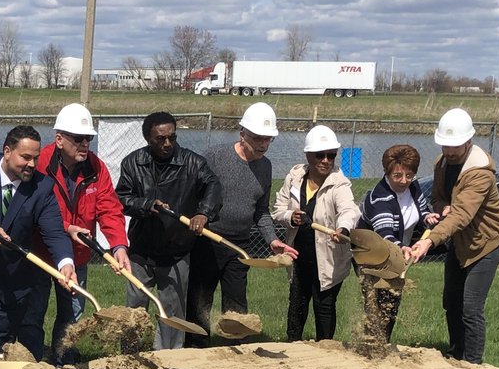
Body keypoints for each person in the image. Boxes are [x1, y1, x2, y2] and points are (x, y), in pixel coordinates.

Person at [0, 125, 75, 360]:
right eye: (25, 157)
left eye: (36, 158)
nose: (32, 164)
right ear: (7, 151)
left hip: (9, 281)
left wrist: (65, 263)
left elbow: (54, 233)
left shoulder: (42, 187)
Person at [187, 102, 297, 346]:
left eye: (268, 139)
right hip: (209, 240)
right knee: (200, 300)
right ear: (242, 134)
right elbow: (193, 192)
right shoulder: (215, 156)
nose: (263, 145)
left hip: (239, 246)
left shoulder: (265, 166)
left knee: (236, 303)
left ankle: (235, 349)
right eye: (258, 138)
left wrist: (272, 239)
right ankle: (196, 349)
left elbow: (261, 211)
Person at [115, 111, 222, 350]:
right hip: (141, 251)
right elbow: (121, 198)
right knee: (134, 309)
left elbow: (213, 186)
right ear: (147, 139)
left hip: (177, 251)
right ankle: (130, 356)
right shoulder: (133, 163)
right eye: (160, 139)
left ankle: (169, 357)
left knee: (172, 312)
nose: (167, 144)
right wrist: (146, 205)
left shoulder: (193, 162)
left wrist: (203, 212)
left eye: (172, 137)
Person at [408, 108, 499, 365]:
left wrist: (429, 240)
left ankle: (472, 363)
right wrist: (442, 208)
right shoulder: (441, 164)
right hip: (459, 241)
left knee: (470, 307)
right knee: (451, 302)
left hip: (484, 245)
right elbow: (438, 198)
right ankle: (455, 355)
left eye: (455, 146)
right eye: (445, 145)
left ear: (468, 141)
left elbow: (462, 214)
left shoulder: (480, 172)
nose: (449, 151)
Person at [33, 103, 129, 363]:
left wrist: (119, 245)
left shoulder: (96, 168)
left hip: (77, 255)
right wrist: (66, 228)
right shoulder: (41, 164)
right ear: (59, 139)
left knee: (72, 314)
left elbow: (109, 209)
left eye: (89, 138)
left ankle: (63, 361)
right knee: (33, 312)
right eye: (78, 139)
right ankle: (32, 365)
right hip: (40, 253)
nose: (85, 144)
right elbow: (32, 211)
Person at [273, 125, 360, 342]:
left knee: (324, 306)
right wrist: (289, 216)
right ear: (308, 155)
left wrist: (343, 228)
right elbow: (278, 209)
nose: (326, 160)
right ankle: (293, 345)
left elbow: (349, 210)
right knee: (297, 304)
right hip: (299, 255)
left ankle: (326, 348)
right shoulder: (295, 177)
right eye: (320, 155)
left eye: (331, 155)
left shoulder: (339, 183)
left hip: (329, 258)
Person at [356, 144, 436, 342]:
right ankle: (370, 346)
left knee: (392, 301)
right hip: (371, 252)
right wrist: (402, 247)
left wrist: (428, 217)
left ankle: (383, 344)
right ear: (387, 172)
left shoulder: (413, 186)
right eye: (398, 175)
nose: (404, 181)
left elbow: (421, 209)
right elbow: (385, 233)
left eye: (409, 175)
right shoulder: (379, 198)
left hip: (398, 250)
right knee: (376, 303)